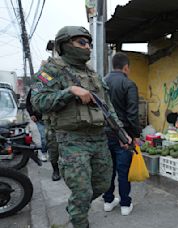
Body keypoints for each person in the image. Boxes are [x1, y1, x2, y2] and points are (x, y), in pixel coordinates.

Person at [30, 26, 129, 228]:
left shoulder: (93, 74)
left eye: (89, 43)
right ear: (64, 45)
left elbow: (108, 108)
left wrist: (121, 133)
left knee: (102, 184)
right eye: (81, 42)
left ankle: (76, 207)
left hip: (99, 138)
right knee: (82, 191)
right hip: (72, 140)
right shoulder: (51, 70)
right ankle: (80, 220)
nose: (88, 47)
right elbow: (38, 102)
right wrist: (70, 91)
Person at [102, 52, 140, 216]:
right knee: (123, 171)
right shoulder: (128, 84)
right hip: (123, 136)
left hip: (103, 134)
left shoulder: (101, 82)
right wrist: (135, 134)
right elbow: (132, 113)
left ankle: (108, 201)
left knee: (108, 169)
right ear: (126, 67)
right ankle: (125, 204)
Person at [26, 89, 47, 162]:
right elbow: (28, 103)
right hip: (39, 118)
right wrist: (31, 114)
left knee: (51, 137)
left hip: (51, 117)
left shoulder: (52, 86)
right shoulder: (34, 89)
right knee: (43, 136)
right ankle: (44, 153)